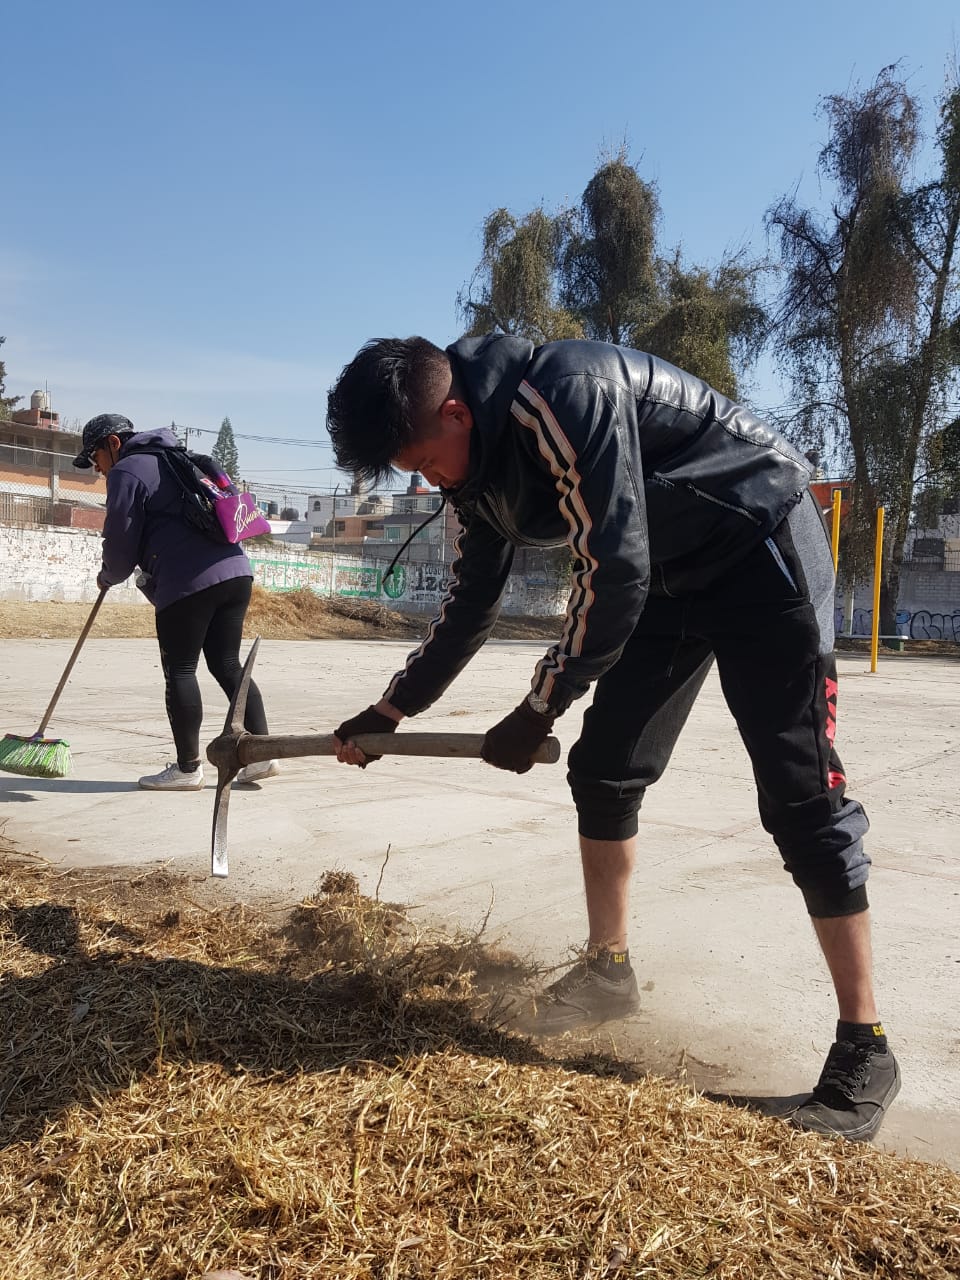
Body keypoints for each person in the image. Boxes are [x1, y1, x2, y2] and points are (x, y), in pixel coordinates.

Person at [325, 334, 901, 1144]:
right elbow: (471, 603)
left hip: (760, 539)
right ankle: (609, 972)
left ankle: (865, 1046)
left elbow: (613, 572)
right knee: (603, 773)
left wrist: (538, 709)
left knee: (801, 794)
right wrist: (391, 711)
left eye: (425, 462)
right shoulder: (473, 472)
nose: (428, 481)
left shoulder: (563, 394)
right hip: (671, 574)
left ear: (454, 411)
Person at [73, 413, 279, 790]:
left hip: (187, 582)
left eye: (95, 458)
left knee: (180, 670)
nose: (97, 470)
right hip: (236, 572)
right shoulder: (182, 458)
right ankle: (260, 756)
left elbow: (121, 535)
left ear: (113, 443)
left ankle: (187, 769)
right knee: (228, 665)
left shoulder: (128, 471)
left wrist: (109, 574)